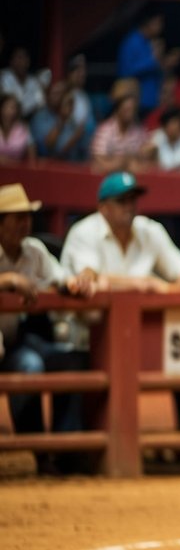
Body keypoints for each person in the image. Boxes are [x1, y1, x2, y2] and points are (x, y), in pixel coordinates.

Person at [0, 184, 98, 464]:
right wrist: (6, 280)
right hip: (10, 345)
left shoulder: (34, 251)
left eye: (27, 216)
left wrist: (78, 280)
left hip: (15, 341)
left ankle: (66, 452)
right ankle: (38, 453)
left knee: (73, 361)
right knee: (30, 366)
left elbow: (61, 278)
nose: (25, 223)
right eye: (17, 217)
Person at [61, 172, 180, 294]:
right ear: (103, 207)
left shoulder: (149, 230)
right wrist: (148, 284)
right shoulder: (84, 231)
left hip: (137, 318)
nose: (129, 207)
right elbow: (88, 278)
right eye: (121, 201)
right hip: (80, 321)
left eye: (132, 199)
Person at [117, 14, 164, 114]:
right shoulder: (131, 41)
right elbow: (126, 71)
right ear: (148, 23)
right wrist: (152, 60)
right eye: (157, 23)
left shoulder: (151, 42)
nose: (160, 27)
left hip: (151, 101)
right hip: (136, 101)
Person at [90, 95, 149, 173]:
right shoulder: (105, 130)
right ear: (117, 110)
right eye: (127, 110)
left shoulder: (138, 131)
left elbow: (143, 162)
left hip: (131, 177)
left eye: (132, 110)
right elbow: (98, 161)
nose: (130, 114)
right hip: (107, 176)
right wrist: (121, 163)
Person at [31, 84, 86, 162]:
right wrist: (62, 120)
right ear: (47, 96)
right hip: (49, 167)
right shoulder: (40, 118)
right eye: (55, 93)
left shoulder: (72, 119)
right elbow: (47, 148)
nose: (58, 97)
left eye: (61, 94)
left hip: (73, 166)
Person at [147, 107, 180, 174]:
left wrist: (177, 170)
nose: (173, 127)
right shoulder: (158, 140)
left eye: (175, 123)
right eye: (170, 123)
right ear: (164, 127)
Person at [0, 47, 45, 119]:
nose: (22, 62)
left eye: (25, 58)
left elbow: (40, 104)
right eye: (19, 58)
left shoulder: (34, 82)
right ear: (11, 61)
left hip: (29, 120)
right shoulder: (3, 78)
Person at [0, 94, 33, 164]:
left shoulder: (24, 129)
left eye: (13, 107)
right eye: (6, 107)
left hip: (18, 171)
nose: (9, 111)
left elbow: (32, 158)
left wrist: (10, 162)